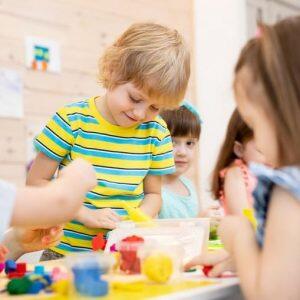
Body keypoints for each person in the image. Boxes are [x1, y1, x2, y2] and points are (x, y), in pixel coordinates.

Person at [26, 22, 190, 259]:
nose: (141, 114)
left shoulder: (156, 131)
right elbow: (36, 182)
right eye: (135, 98)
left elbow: (154, 196)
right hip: (65, 255)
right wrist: (83, 214)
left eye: (155, 107)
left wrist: (135, 223)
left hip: (124, 255)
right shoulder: (72, 120)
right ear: (113, 71)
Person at [186, 16, 300, 300]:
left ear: (284, 111)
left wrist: (240, 237)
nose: (258, 140)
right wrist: (243, 260)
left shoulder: (290, 189)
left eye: (255, 121)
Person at [158, 102, 220, 219]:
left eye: (189, 143)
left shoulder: (188, 186)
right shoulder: (153, 193)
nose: (182, 152)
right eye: (172, 142)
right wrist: (200, 221)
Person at [211, 109, 265, 215]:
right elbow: (242, 217)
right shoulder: (236, 174)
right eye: (262, 150)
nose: (270, 156)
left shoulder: (274, 173)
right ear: (240, 149)